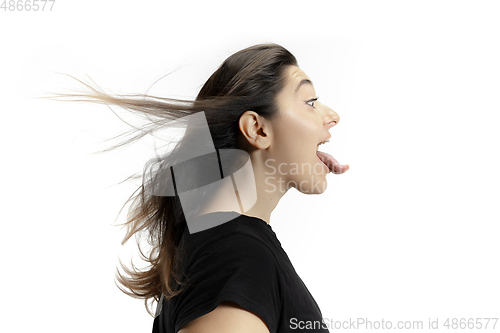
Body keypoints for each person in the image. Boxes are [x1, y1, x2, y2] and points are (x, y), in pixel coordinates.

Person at [50, 43, 349, 332]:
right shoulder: (237, 257)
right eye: (310, 102)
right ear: (257, 129)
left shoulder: (224, 247)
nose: (332, 116)